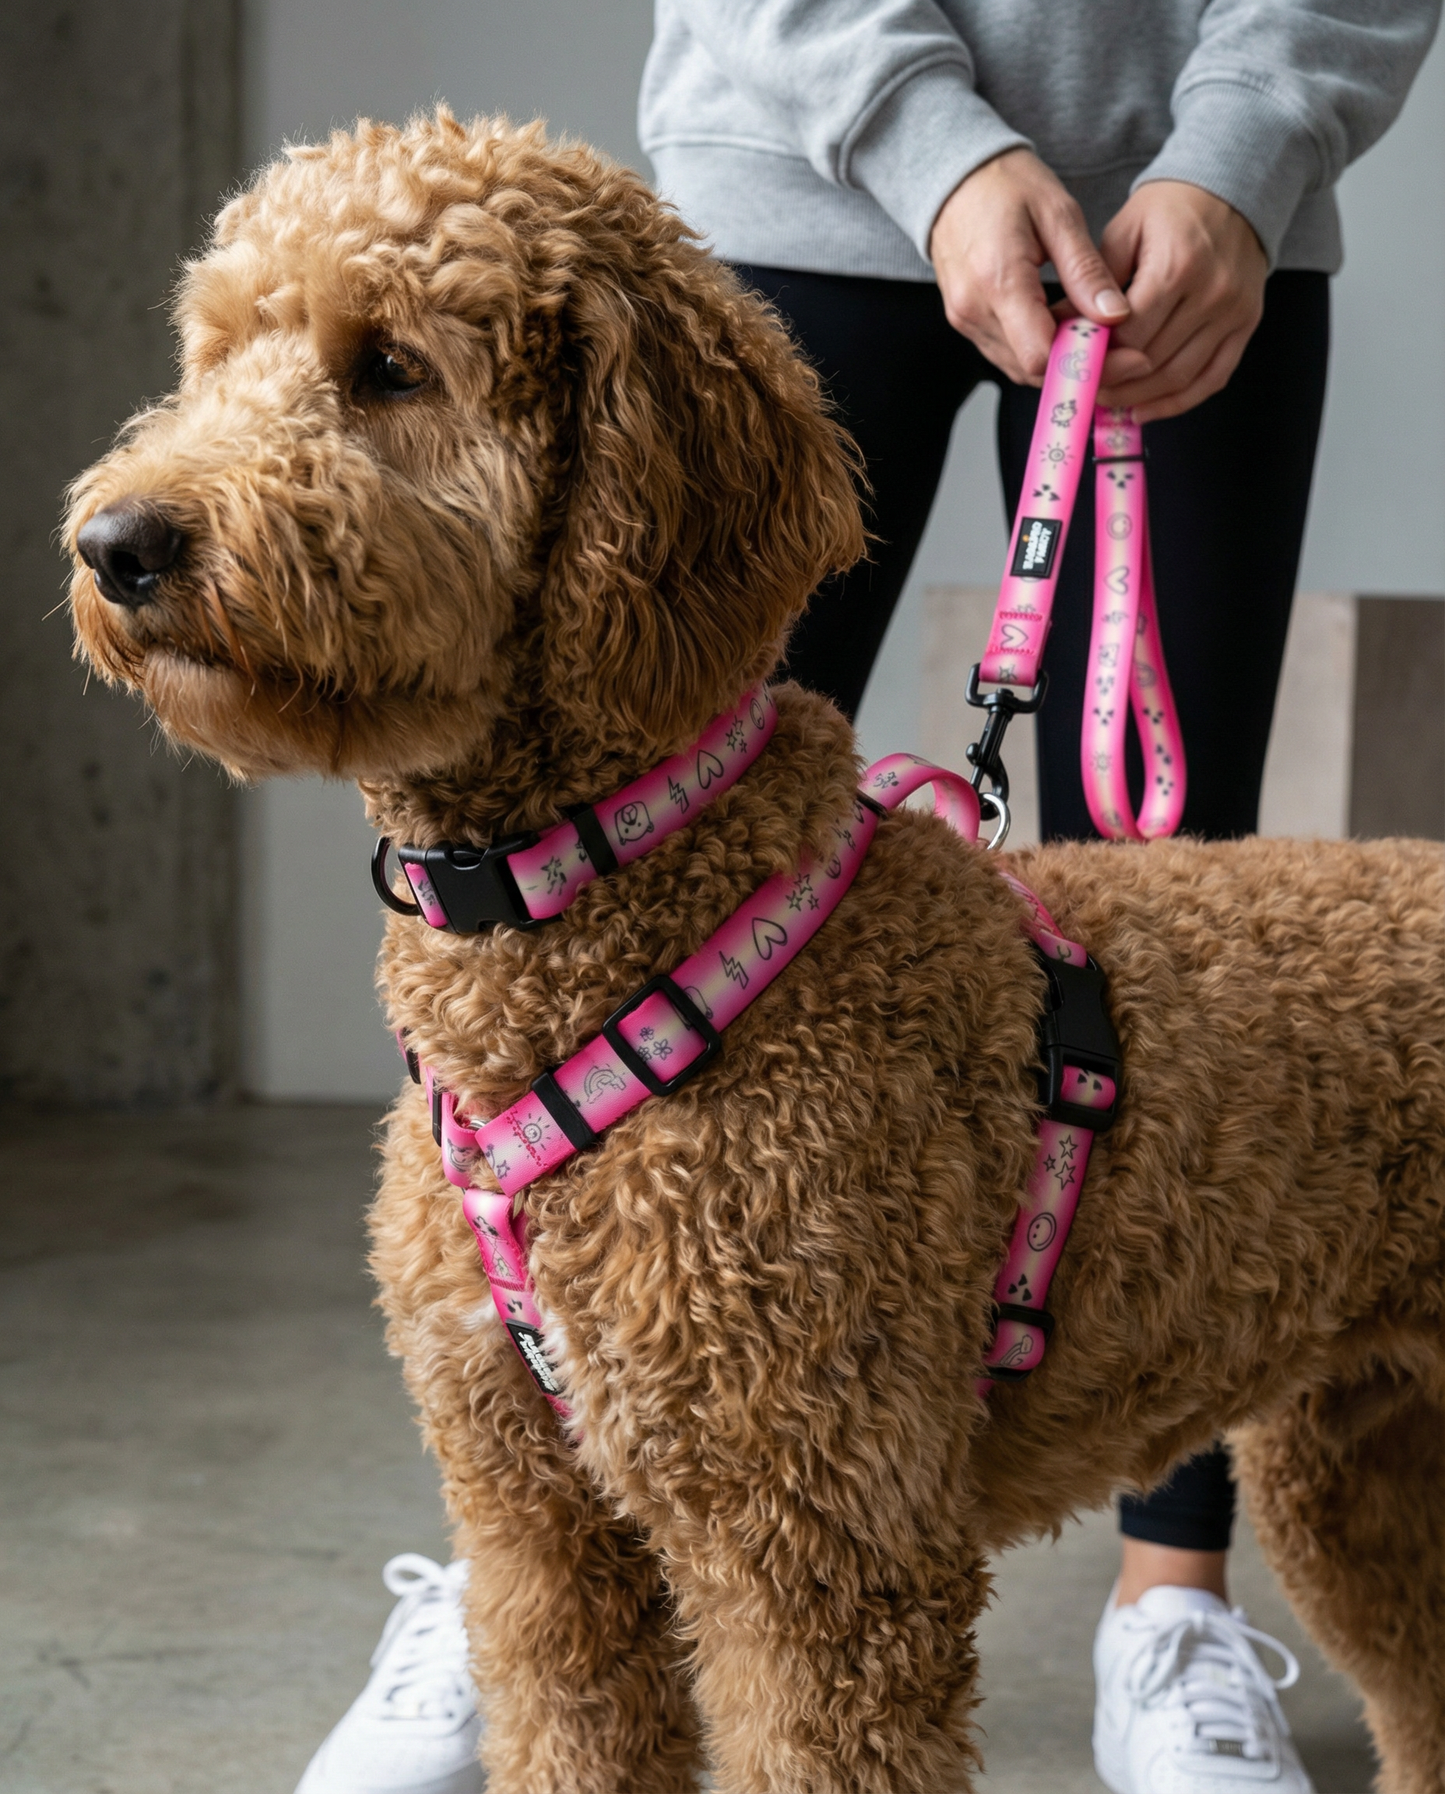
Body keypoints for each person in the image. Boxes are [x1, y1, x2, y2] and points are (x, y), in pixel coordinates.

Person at [294, 3, 1440, 1790]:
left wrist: (1245, 143)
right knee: (647, 760)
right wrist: (930, 143)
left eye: (375, 375)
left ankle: (1172, 1608)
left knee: (1146, 821)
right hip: (801, 156)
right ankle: (549, 1535)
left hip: (1194, 209)